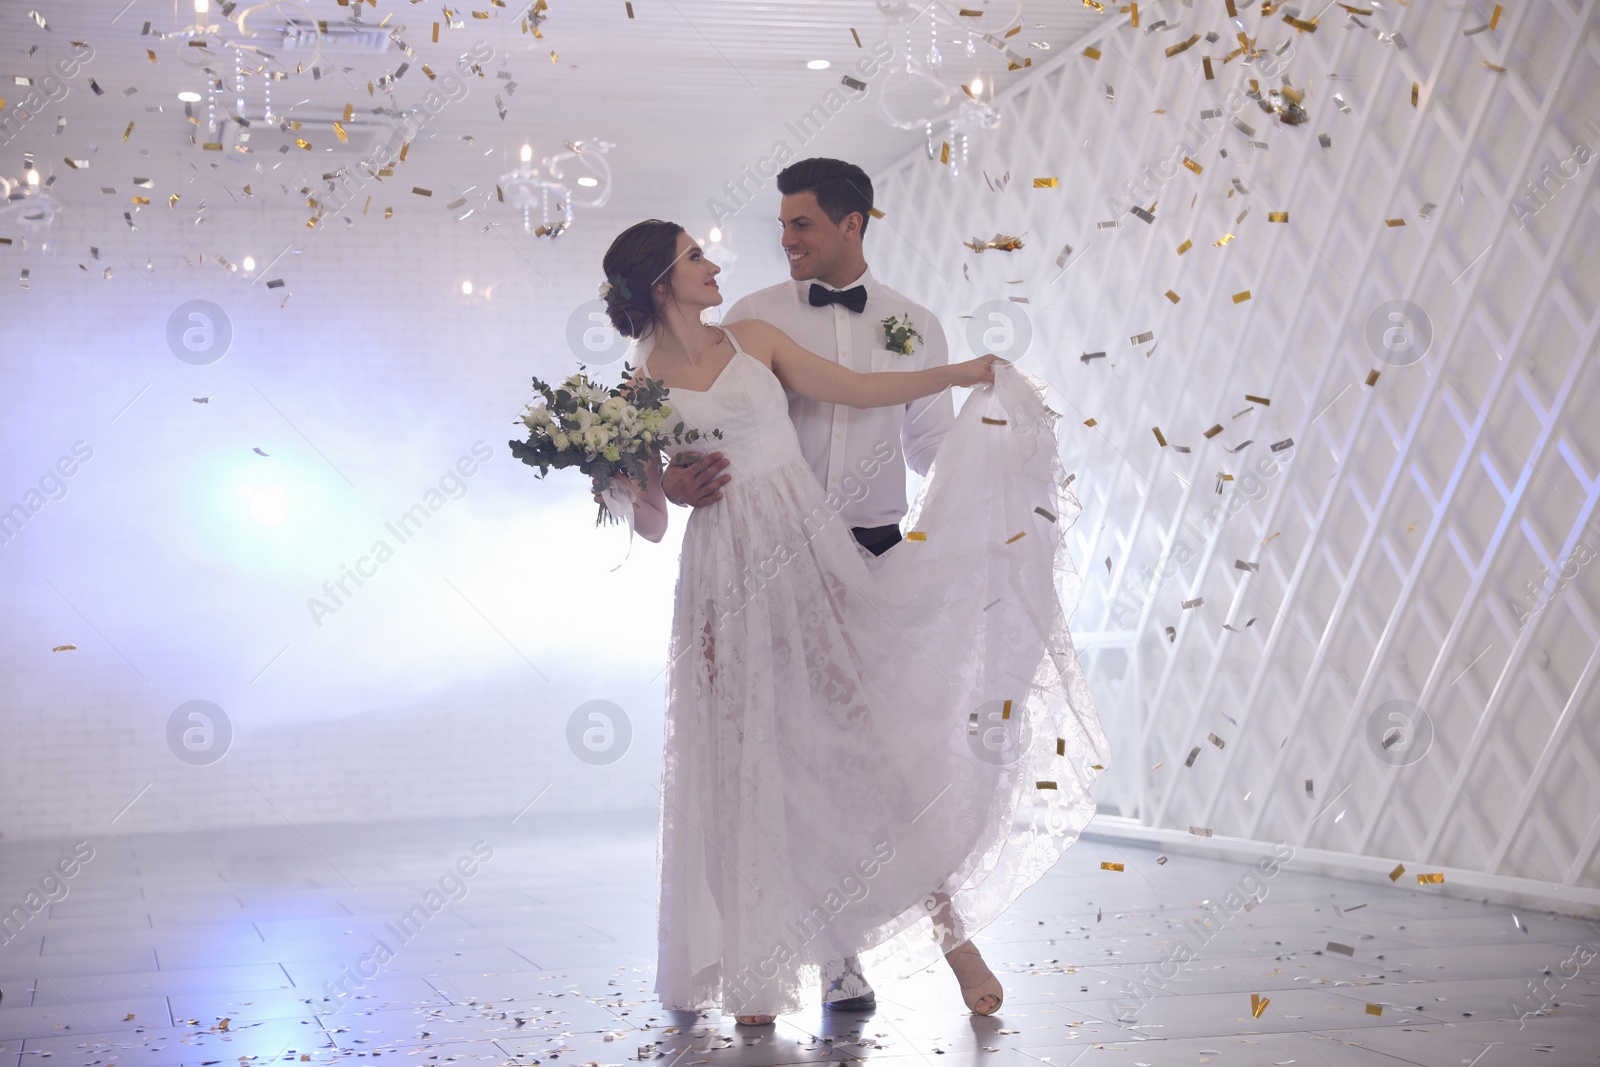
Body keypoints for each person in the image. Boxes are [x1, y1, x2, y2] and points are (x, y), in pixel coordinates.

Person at [601, 218, 1106, 1028]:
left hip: (806, 547)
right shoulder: (633, 392)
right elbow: (652, 522)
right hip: (722, 573)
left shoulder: (755, 337)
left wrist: (967, 368)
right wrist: (659, 489)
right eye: (697, 256)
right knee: (746, 758)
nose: (714, 263)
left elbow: (858, 388)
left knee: (862, 741)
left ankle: (955, 938)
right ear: (661, 282)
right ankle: (759, 966)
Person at [662, 158, 951, 1011]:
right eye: (781, 224)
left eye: (801, 226)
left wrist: (975, 515)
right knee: (788, 762)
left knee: (880, 758)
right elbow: (697, 436)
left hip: (874, 552)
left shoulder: (916, 323)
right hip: (769, 562)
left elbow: (933, 446)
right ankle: (834, 955)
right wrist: (676, 484)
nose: (783, 240)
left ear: (852, 224)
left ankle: (947, 937)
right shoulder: (748, 319)